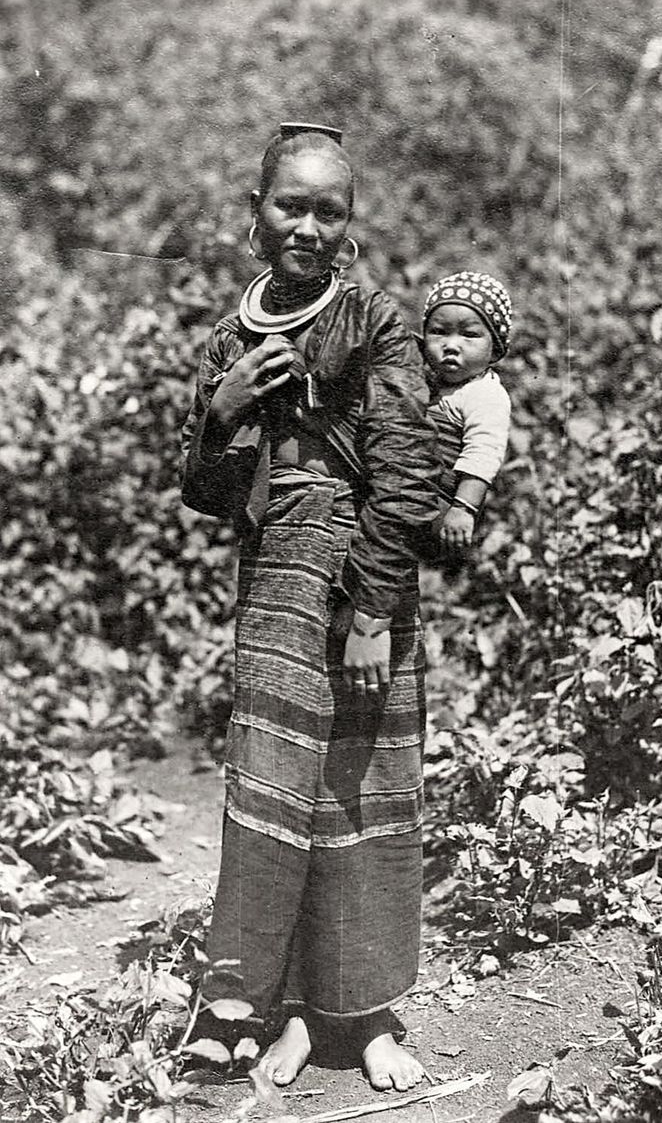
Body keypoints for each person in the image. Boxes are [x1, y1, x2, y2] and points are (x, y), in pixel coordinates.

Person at [180, 123, 441, 1091]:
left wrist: (372, 608)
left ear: (351, 224)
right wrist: (224, 409)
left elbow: (407, 475)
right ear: (255, 212)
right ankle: (275, 1010)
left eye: (329, 211)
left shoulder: (376, 324)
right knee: (273, 789)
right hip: (274, 584)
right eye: (291, 205)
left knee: (362, 788)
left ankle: (364, 1018)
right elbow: (204, 491)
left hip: (362, 579)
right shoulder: (227, 335)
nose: (309, 226)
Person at [420, 270, 512, 555]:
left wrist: (463, 508)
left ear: (495, 349)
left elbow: (483, 454)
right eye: (438, 332)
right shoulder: (426, 380)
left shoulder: (485, 394)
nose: (451, 345)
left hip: (442, 502)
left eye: (469, 335)